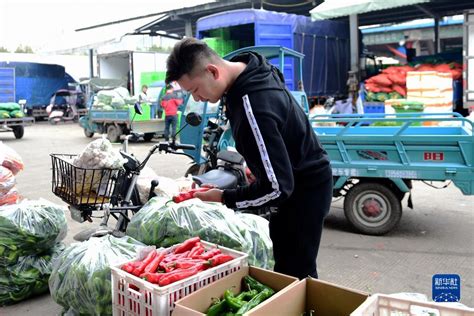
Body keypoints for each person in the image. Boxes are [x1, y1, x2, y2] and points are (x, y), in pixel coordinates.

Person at [165, 38, 332, 279]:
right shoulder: (251, 71)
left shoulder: (252, 102)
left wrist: (223, 197)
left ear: (212, 71)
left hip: (303, 191)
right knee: (289, 263)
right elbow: (275, 139)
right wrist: (258, 164)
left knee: (295, 272)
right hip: (298, 178)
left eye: (195, 91)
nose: (198, 99)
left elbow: (277, 188)